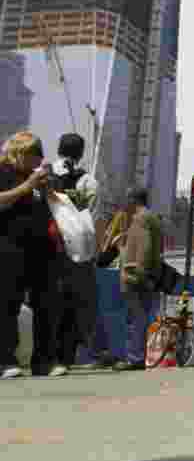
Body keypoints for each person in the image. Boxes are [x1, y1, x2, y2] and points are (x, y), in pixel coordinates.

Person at [49, 132, 114, 368]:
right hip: (78, 252)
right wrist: (96, 251)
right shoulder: (88, 181)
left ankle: (50, 356)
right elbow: (94, 219)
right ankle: (96, 350)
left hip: (46, 248)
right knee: (85, 303)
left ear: (58, 148)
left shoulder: (43, 174)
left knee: (48, 301)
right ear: (81, 152)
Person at [0, 132, 52, 379]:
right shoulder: (4, 172)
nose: (38, 160)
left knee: (44, 302)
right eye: (34, 154)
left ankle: (42, 360)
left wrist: (45, 187)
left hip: (36, 248)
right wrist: (27, 186)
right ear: (20, 153)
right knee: (7, 304)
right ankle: (5, 359)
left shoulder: (32, 177)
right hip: (8, 246)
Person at [115, 187, 163, 371]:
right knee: (141, 317)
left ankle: (134, 357)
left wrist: (137, 271)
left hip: (136, 277)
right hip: (148, 276)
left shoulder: (140, 218)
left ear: (133, 200)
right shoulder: (152, 218)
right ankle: (140, 356)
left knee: (135, 318)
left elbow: (144, 246)